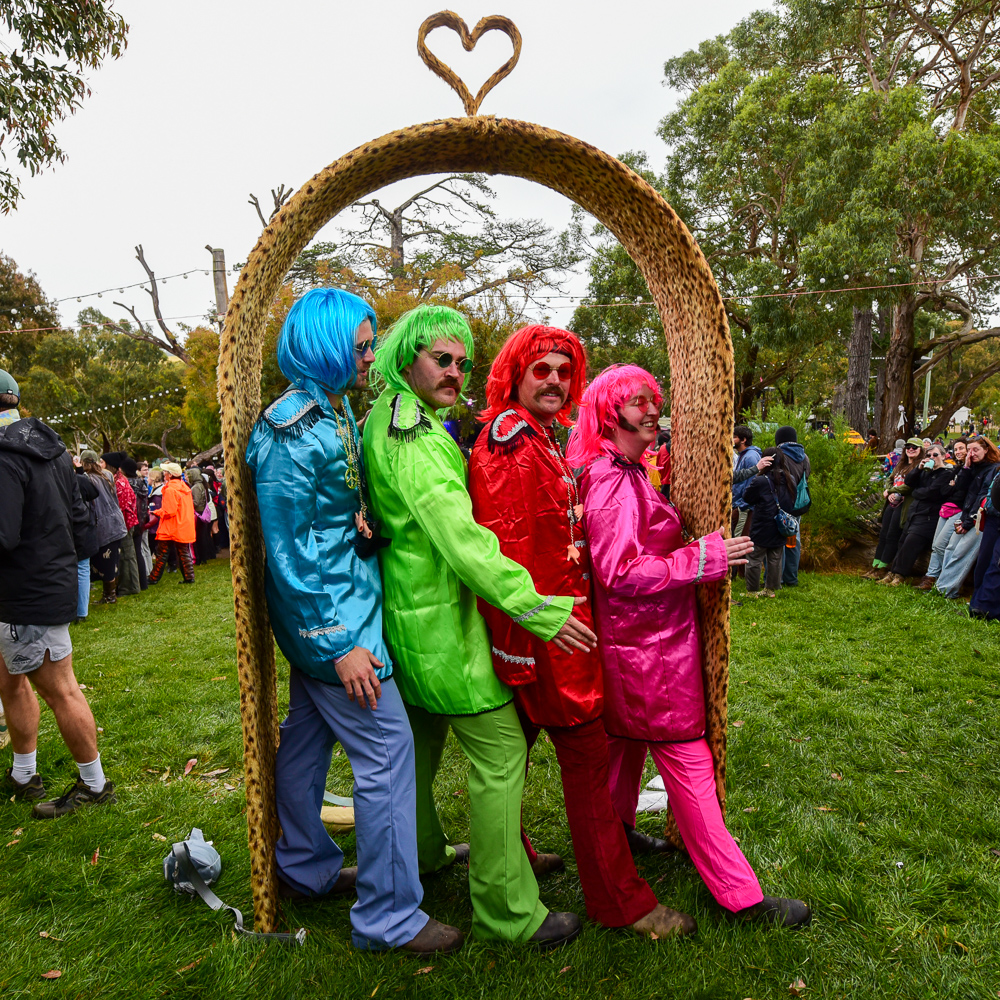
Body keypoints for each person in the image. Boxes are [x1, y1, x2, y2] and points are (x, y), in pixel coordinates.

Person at [364, 303, 594, 948]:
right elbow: (462, 540)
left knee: (419, 747)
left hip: (409, 620)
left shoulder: (391, 416)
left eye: (463, 364)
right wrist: (537, 607)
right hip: (442, 628)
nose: (454, 373)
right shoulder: (412, 433)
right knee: (501, 755)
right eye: (442, 359)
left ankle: (423, 855)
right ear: (405, 357)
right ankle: (507, 911)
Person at [246, 288, 460, 955]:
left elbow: (326, 522)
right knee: (388, 753)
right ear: (326, 347)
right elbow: (287, 554)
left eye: (370, 346)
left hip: (348, 606)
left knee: (306, 744)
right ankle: (388, 917)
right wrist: (337, 644)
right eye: (361, 347)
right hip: (332, 624)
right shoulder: (289, 429)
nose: (371, 357)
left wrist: (359, 527)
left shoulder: (334, 408)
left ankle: (304, 868)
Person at [565, 364, 809, 929]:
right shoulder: (612, 480)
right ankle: (740, 896)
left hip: (640, 646)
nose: (653, 408)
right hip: (647, 653)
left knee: (623, 748)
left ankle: (617, 834)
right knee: (689, 766)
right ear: (609, 412)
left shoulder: (624, 470)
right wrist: (705, 557)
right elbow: (620, 572)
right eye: (638, 401)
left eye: (655, 398)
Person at [468, 326, 689, 939]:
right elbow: (509, 547)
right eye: (541, 370)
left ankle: (514, 859)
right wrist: (526, 639)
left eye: (565, 372)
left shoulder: (537, 435)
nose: (555, 381)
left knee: (511, 758)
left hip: (552, 629)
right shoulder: (510, 442)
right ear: (513, 375)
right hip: (548, 635)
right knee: (588, 765)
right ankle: (622, 903)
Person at [0, 369, 116, 817]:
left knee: (60, 690)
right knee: (10, 682)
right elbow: (80, 521)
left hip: (27, 592)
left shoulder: (6, 455)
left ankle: (95, 784)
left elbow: (4, 534)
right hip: (38, 585)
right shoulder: (52, 449)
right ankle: (23, 773)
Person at [932, 436, 1000, 598]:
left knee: (962, 552)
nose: (971, 454)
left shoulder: (993, 469)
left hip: (979, 519)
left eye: (975, 450)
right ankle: (941, 586)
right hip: (967, 514)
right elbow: (961, 489)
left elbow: (982, 497)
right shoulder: (974, 467)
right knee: (950, 548)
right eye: (969, 450)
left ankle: (947, 589)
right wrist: (967, 467)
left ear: (986, 450)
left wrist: (968, 522)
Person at [878, 443, 952, 585]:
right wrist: (918, 468)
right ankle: (892, 573)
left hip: (929, 516)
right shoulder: (925, 471)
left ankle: (900, 575)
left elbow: (931, 492)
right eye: (928, 455)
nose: (932, 457)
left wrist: (916, 492)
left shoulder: (946, 473)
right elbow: (909, 482)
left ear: (943, 456)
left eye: (935, 455)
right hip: (914, 512)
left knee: (911, 543)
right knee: (902, 541)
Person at [863, 438, 924, 579]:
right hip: (891, 504)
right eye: (908, 446)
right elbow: (889, 479)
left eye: (914, 447)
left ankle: (883, 567)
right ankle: (875, 565)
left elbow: (910, 486)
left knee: (892, 535)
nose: (910, 449)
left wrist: (891, 491)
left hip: (904, 505)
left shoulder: (919, 467)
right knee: (883, 534)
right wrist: (890, 490)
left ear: (921, 450)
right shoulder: (901, 464)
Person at [743, 447, 797, 597]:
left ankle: (752, 591)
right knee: (775, 558)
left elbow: (747, 497)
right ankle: (770, 589)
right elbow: (792, 501)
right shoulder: (790, 479)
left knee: (754, 558)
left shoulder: (761, 480)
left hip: (762, 523)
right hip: (781, 524)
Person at [80, 450, 127, 605]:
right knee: (112, 560)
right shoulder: (107, 475)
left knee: (106, 562)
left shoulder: (87, 479)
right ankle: (110, 594)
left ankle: (109, 596)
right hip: (116, 520)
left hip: (103, 523)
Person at [774, 426, 811, 587]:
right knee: (793, 540)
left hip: (781, 504)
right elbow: (806, 477)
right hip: (798, 504)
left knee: (778, 541)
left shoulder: (778, 455)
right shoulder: (804, 457)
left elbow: (774, 479)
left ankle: (778, 578)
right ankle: (791, 577)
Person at [147, 463, 195, 584]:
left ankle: (153, 578)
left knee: (161, 553)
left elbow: (169, 511)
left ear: (170, 474)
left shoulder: (170, 489)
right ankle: (189, 577)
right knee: (183, 552)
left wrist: (156, 512)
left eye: (165, 472)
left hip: (170, 527)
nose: (164, 474)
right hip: (183, 524)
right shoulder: (184, 487)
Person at [102, 452, 141, 597]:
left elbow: (121, 507)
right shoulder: (116, 480)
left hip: (125, 524)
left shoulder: (120, 483)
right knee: (125, 554)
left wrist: (120, 527)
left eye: (102, 462)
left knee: (126, 555)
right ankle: (126, 585)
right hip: (124, 523)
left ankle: (130, 586)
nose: (100, 465)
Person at [732, 425, 772, 538]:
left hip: (743, 507)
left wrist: (741, 506)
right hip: (739, 504)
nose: (731, 440)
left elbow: (752, 484)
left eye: (734, 437)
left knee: (739, 538)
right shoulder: (743, 455)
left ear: (743, 440)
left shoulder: (750, 457)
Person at [970, 473, 1000, 619]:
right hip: (993, 517)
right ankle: (976, 605)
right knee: (983, 561)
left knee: (997, 564)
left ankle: (986, 608)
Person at [121, 456, 150, 587]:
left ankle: (132, 582)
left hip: (131, 520)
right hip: (141, 520)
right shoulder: (141, 483)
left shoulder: (126, 484)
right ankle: (143, 582)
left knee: (130, 553)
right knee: (138, 551)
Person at [185, 463, 216, 566]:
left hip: (198, 514)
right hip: (202, 513)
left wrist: (186, 502)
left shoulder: (196, 487)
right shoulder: (201, 485)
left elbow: (196, 502)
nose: (186, 478)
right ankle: (203, 557)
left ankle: (199, 558)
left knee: (199, 537)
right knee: (202, 536)